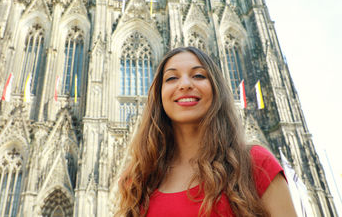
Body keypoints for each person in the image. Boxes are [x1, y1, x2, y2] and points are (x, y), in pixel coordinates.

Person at [115, 47, 297, 217]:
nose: (185, 84)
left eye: (199, 75)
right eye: (171, 78)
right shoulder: (137, 181)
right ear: (158, 96)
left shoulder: (256, 165)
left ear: (216, 89)